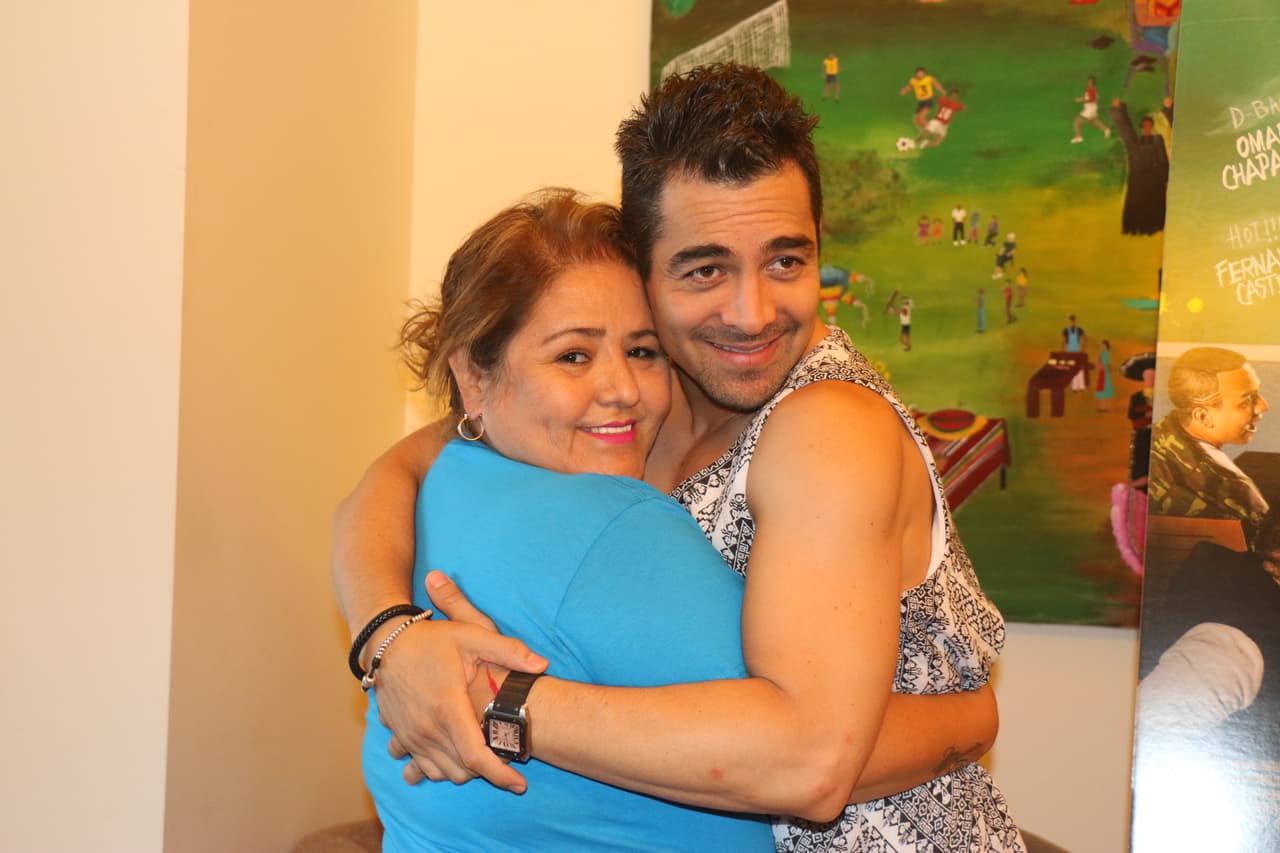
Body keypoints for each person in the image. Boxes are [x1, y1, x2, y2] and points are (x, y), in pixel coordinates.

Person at [334, 63, 1023, 852]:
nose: (752, 313)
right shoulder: (645, 397)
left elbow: (811, 764)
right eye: (706, 269)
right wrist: (390, 641)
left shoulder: (827, 427)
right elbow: (397, 471)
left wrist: (488, 695)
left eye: (786, 261)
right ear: (645, 274)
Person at [362, 189, 773, 851]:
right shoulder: (618, 526)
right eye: (574, 356)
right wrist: (952, 720)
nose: (622, 389)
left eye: (643, 351)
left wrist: (382, 636)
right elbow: (807, 755)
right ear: (474, 377)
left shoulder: (444, 477)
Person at [1148, 346, 1276, 571]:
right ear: (1203, 416)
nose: (1263, 406)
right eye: (1246, 401)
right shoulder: (1234, 492)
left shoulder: (1157, 440)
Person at [1111, 97, 1172, 235]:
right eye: (1144, 125)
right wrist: (1119, 109)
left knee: (1154, 207)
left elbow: (1163, 159)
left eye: (1149, 125)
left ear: (1152, 126)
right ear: (1141, 127)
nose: (1147, 127)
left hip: (1155, 180)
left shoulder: (1158, 140)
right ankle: (1138, 228)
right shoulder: (1135, 141)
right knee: (1139, 205)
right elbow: (1125, 129)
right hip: (1139, 180)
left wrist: (1165, 179)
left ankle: (1154, 227)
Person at [900, 66, 946, 131]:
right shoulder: (913, 81)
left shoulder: (929, 78)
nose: (920, 75)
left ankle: (934, 131)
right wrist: (904, 91)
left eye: (922, 73)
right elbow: (910, 87)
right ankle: (925, 131)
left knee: (921, 118)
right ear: (916, 74)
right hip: (921, 102)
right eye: (919, 73)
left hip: (928, 100)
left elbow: (936, 85)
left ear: (924, 73)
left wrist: (942, 91)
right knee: (916, 119)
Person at [1070, 76, 1111, 143]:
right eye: (1089, 81)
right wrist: (1081, 98)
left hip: (1090, 109)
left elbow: (1091, 99)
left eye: (1090, 81)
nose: (1089, 82)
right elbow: (1090, 97)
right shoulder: (1091, 89)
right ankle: (1106, 130)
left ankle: (1078, 137)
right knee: (1094, 121)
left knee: (1076, 121)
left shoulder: (1092, 90)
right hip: (1092, 108)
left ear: (1092, 82)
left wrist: (1081, 100)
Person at [1061, 314, 1087, 391]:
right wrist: (1063, 351)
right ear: (1069, 321)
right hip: (1069, 350)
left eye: (1074, 321)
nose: (1072, 322)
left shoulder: (1079, 330)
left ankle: (1081, 386)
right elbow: (1063, 341)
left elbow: (1085, 338)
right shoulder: (1066, 330)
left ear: (1075, 321)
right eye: (1071, 321)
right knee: (1072, 368)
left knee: (1079, 367)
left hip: (1077, 350)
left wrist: (1083, 349)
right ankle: (1074, 386)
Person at [1095, 339, 1114, 411]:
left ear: (1106, 345)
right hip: (1102, 372)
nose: (1101, 346)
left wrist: (1098, 367)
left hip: (1104, 372)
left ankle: (1104, 407)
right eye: (1101, 345)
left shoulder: (1106, 353)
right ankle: (1102, 407)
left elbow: (1104, 363)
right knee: (1102, 389)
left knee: (1103, 389)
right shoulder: (1103, 353)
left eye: (1103, 345)